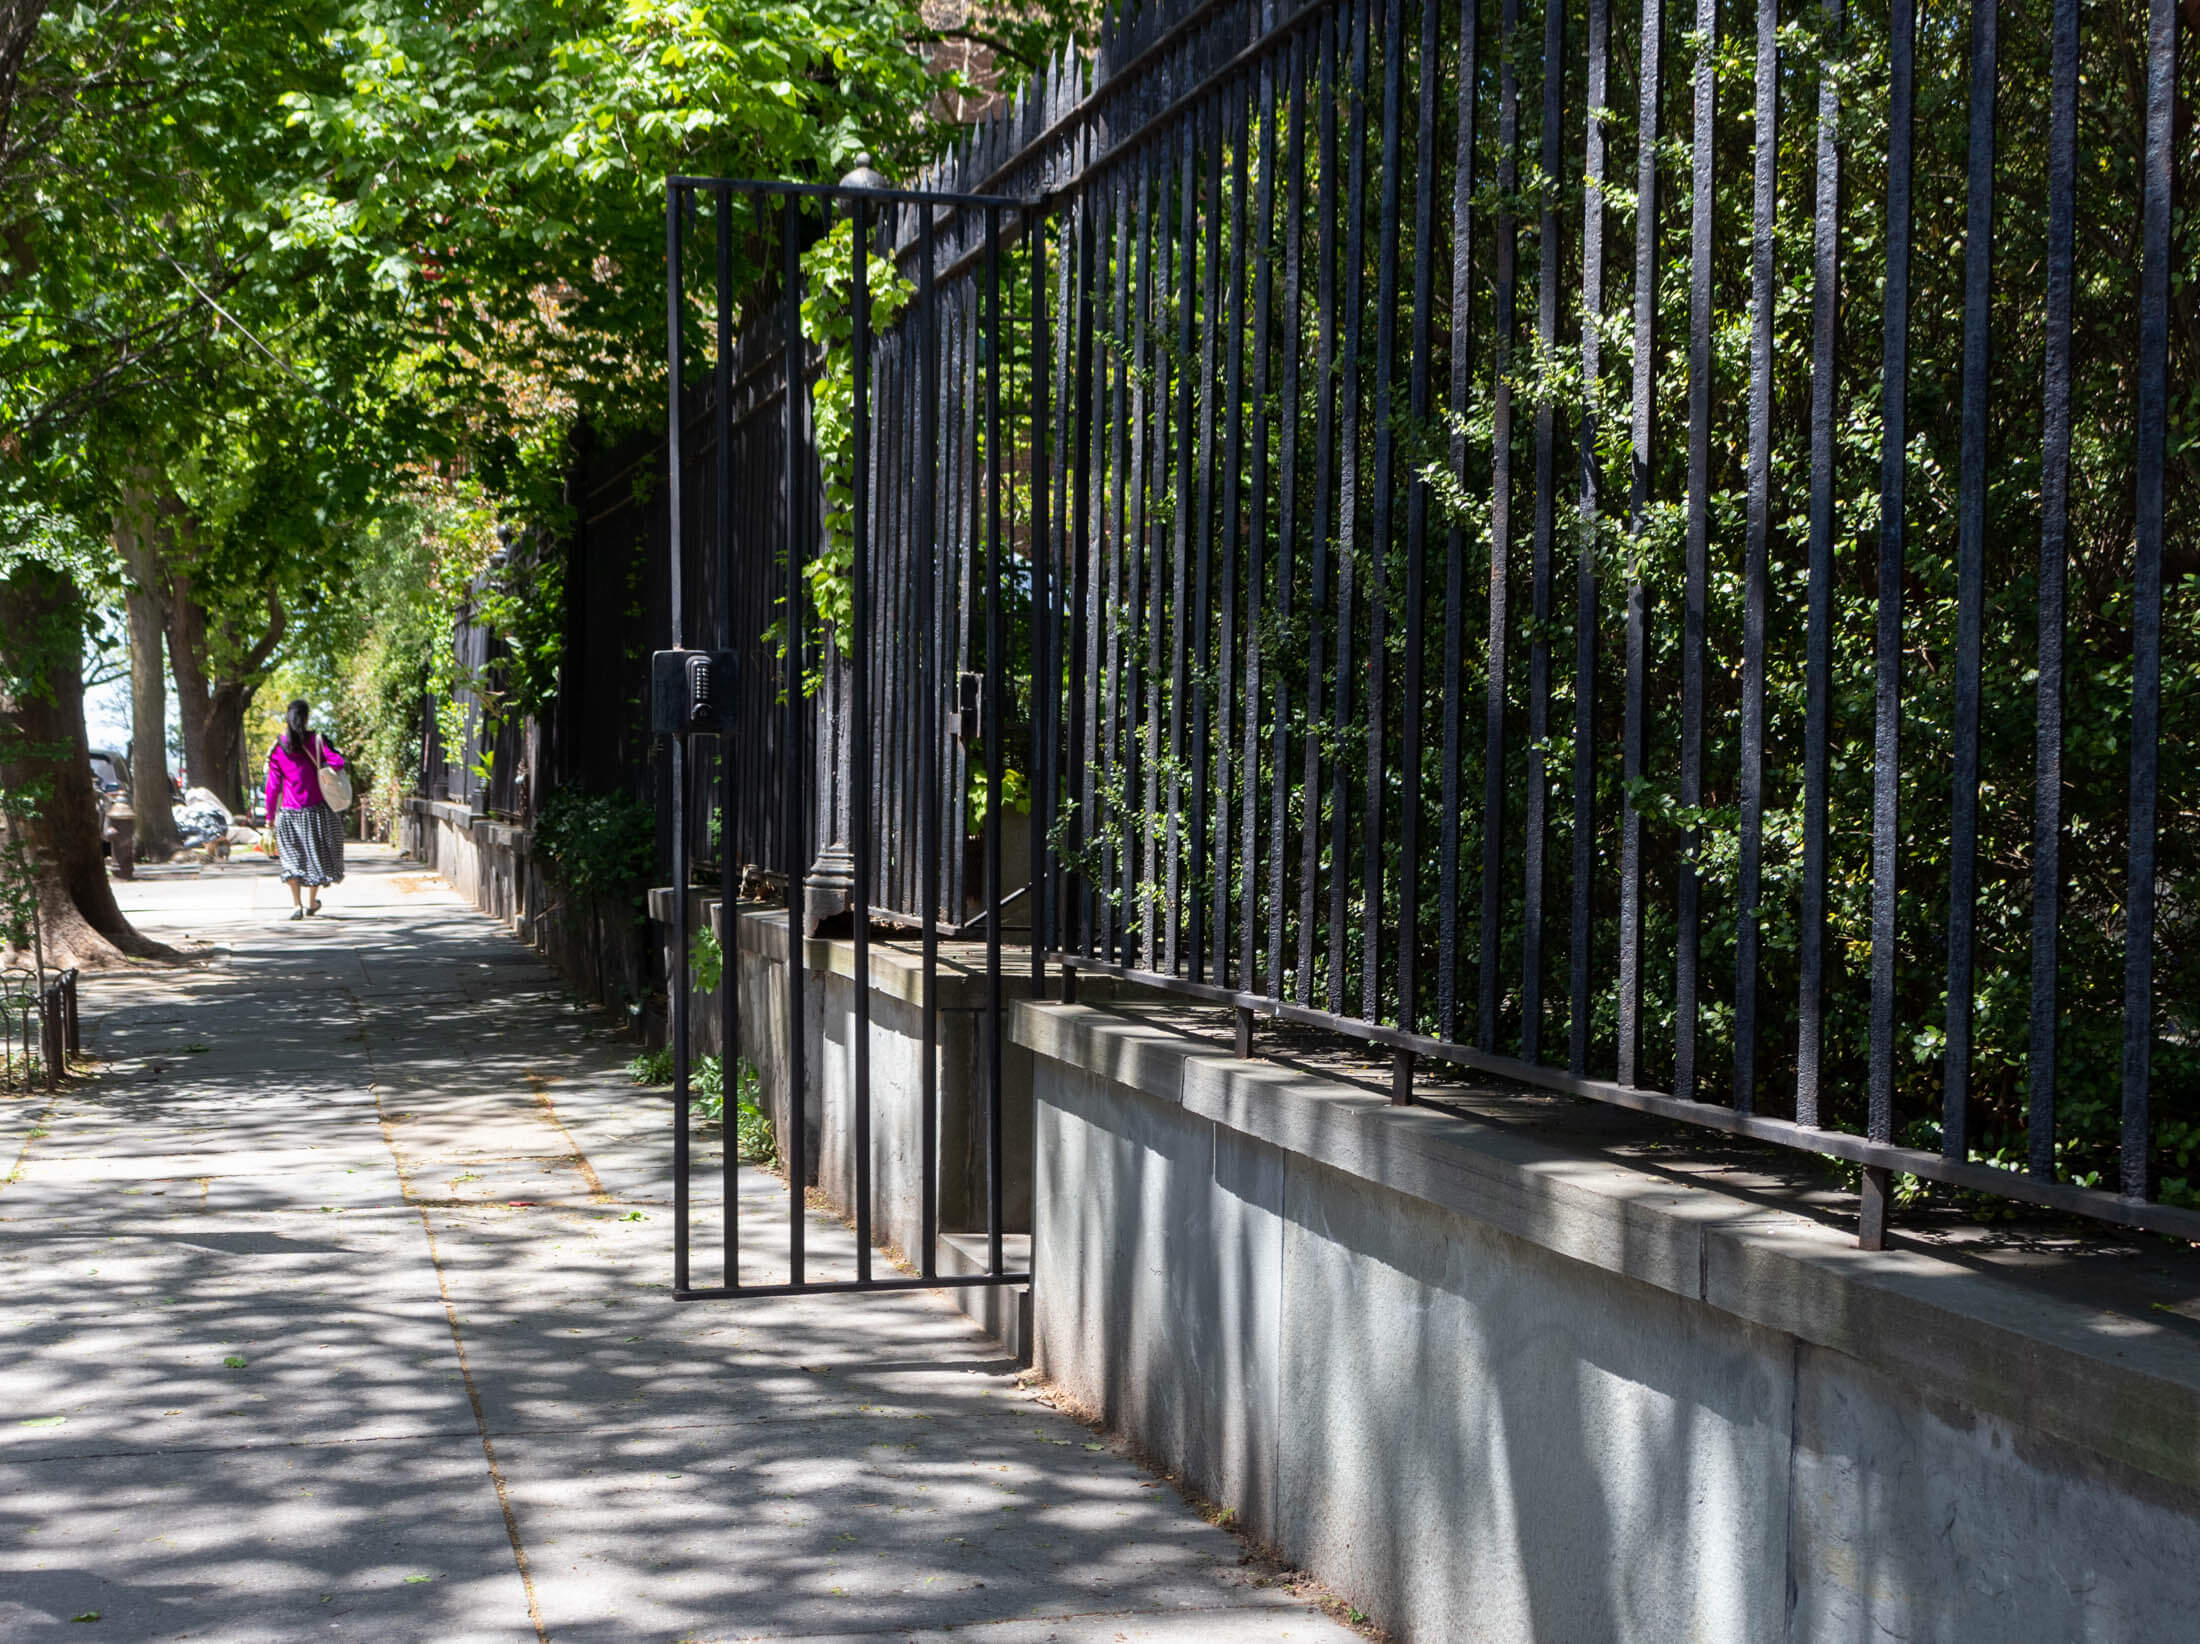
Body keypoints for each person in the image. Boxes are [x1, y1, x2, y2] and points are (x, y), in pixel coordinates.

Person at [264, 700, 347, 919]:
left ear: (287, 718)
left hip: (290, 813)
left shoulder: (278, 747)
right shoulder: (317, 741)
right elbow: (337, 763)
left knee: (293, 859)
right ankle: (311, 903)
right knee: (315, 857)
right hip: (317, 812)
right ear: (307, 718)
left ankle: (296, 905)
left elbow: (272, 786)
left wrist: (269, 818)